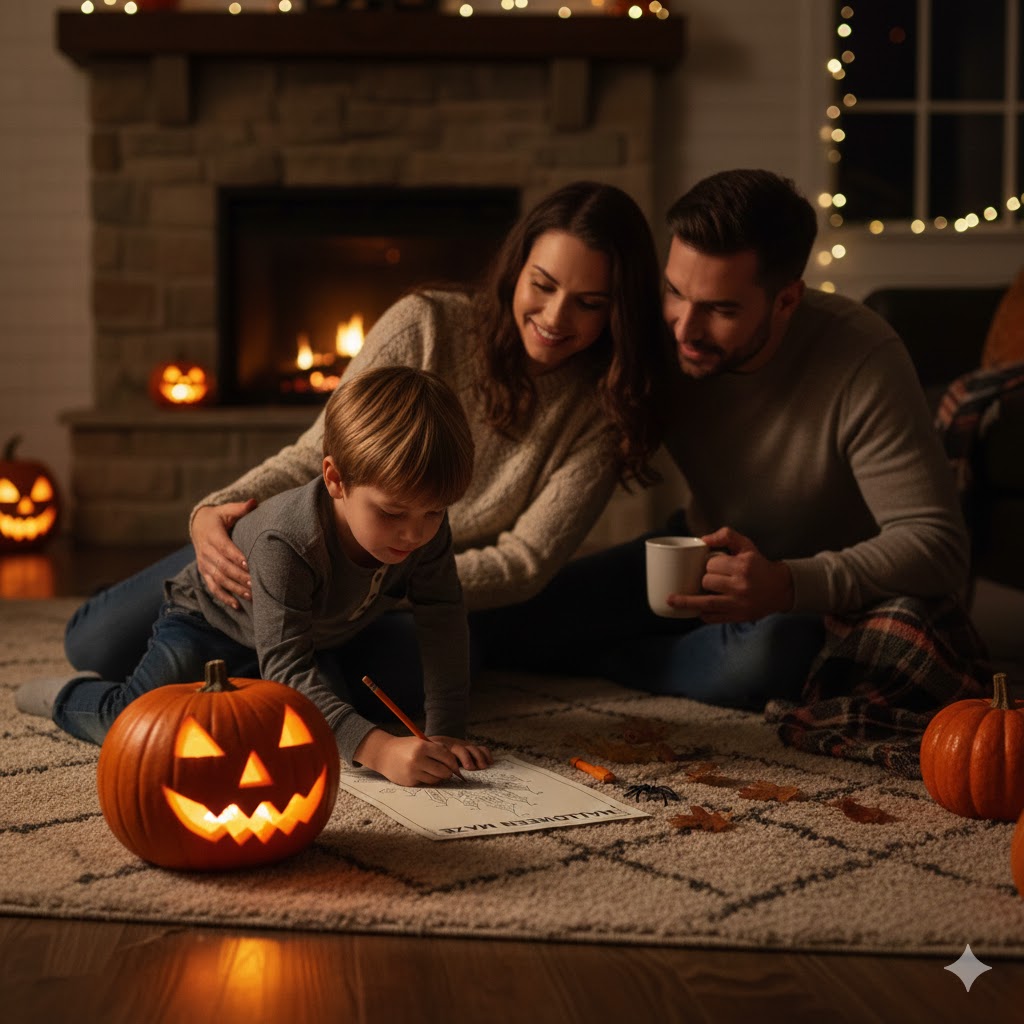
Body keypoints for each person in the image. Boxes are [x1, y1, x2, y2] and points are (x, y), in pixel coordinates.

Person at [59, 180, 669, 687]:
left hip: (410, 587)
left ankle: (280, 660)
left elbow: (525, 563)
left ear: (619, 309)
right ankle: (278, 652)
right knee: (94, 646)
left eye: (590, 302)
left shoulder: (607, 408)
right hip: (302, 551)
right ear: (517, 270)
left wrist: (388, 583)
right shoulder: (425, 325)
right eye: (544, 285)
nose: (557, 317)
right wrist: (213, 511)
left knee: (414, 676)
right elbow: (315, 455)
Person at [473, 168, 971, 711]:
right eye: (676, 293)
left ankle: (620, 660)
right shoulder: (653, 337)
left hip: (809, 591)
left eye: (720, 309)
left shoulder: (861, 357)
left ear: (786, 301)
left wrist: (786, 584)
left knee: (765, 660)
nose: (684, 328)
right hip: (697, 559)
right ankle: (663, 652)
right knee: (502, 622)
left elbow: (936, 545)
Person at [18, 367, 492, 787]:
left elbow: (443, 615)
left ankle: (250, 679)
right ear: (335, 480)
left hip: (304, 636)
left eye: (434, 512)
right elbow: (287, 672)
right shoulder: (286, 540)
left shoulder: (425, 525)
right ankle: (65, 694)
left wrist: (446, 727)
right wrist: (379, 749)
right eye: (392, 513)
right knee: (141, 724)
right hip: (210, 623)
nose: (415, 533)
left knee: (312, 725)